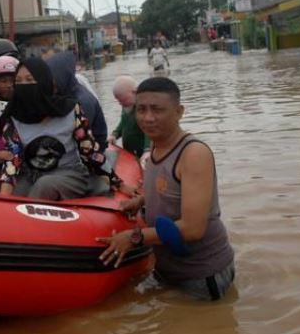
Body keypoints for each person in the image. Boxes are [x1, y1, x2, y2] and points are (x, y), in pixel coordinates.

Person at [97, 77, 235, 301]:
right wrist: (141, 200)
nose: (147, 118)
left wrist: (134, 237)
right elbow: (168, 189)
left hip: (201, 276)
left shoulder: (193, 154)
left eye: (157, 110)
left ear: (179, 111)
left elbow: (193, 228)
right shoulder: (155, 148)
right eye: (141, 109)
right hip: (166, 269)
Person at [0, 58, 119, 200]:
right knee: (16, 194)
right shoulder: (13, 116)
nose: (24, 86)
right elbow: (12, 159)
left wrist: (116, 181)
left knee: (45, 185)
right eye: (18, 81)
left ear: (44, 82)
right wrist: (3, 198)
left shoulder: (70, 109)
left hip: (69, 174)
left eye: (30, 80)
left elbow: (89, 150)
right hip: (32, 176)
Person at [46, 51, 108, 148]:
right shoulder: (64, 93)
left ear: (62, 75)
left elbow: (81, 135)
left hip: (92, 149)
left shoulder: (83, 100)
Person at [108, 76, 151, 157]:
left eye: (123, 100)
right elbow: (123, 123)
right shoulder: (126, 106)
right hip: (128, 150)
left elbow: (149, 131)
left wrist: (147, 150)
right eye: (119, 101)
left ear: (135, 92)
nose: (120, 103)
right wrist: (115, 134)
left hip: (142, 151)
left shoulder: (143, 108)